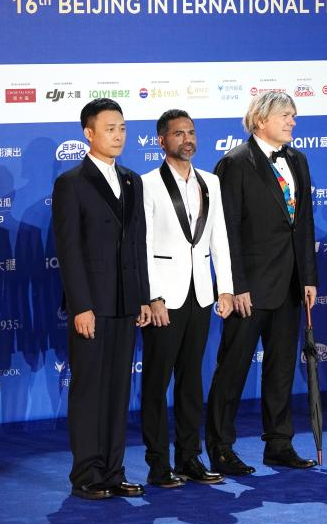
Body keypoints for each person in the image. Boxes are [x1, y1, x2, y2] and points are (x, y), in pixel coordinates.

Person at [205, 91, 318, 475]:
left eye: (293, 115)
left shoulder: (298, 160)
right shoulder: (235, 163)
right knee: (233, 369)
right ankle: (220, 448)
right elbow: (226, 231)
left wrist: (308, 277)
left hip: (289, 285)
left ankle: (279, 444)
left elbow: (303, 224)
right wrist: (234, 285)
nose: (292, 122)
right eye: (285, 115)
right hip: (248, 289)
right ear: (260, 120)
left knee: (281, 369)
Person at [52, 98, 151, 500]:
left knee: (117, 391)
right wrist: (81, 306)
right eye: (110, 128)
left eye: (122, 128)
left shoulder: (132, 180)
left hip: (126, 303)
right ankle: (86, 474)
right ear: (89, 133)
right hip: (92, 305)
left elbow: (138, 244)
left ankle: (113, 470)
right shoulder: (71, 182)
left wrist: (142, 298)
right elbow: (69, 250)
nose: (118, 135)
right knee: (89, 390)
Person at [140, 110, 233, 488]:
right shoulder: (146, 184)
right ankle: (158, 463)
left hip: (201, 294)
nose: (187, 139)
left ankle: (189, 457)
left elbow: (219, 237)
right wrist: (153, 296)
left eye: (191, 132)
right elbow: (143, 245)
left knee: (192, 380)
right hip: (165, 298)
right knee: (156, 382)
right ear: (161, 141)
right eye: (178, 133)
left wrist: (225, 288)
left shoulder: (211, 181)